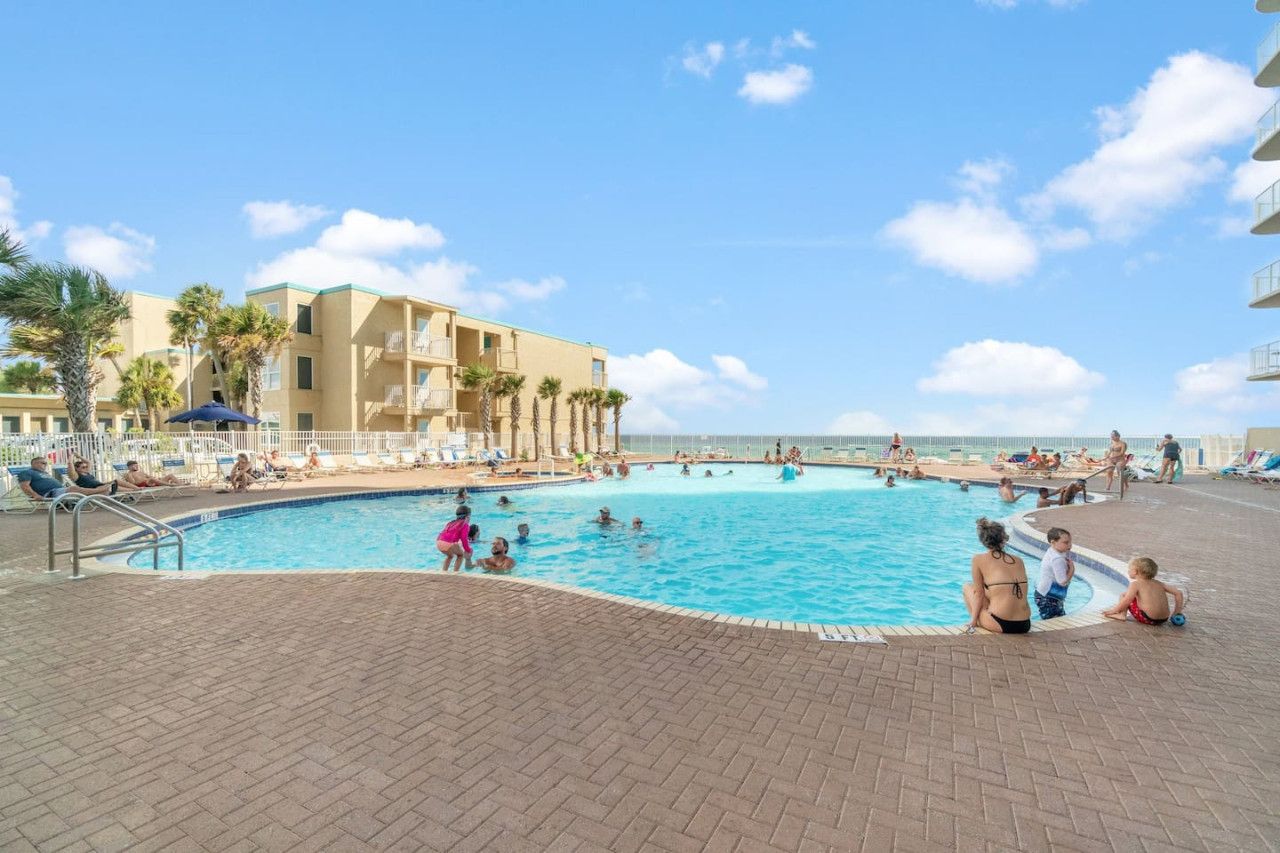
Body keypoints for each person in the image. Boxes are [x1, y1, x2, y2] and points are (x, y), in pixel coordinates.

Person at [963, 518, 1031, 634]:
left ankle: (975, 621)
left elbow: (979, 594)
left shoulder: (978, 559)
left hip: (1001, 624)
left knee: (968, 587)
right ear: (1003, 539)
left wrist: (974, 620)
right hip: (1025, 624)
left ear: (983, 541)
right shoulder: (1018, 560)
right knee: (992, 591)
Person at [1102, 557, 1184, 626]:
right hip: (1163, 619)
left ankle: (1121, 615)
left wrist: (1113, 610)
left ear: (1135, 572)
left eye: (1129, 569)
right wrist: (1176, 612)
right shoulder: (1159, 583)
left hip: (1148, 618)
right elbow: (1179, 593)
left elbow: (1127, 600)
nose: (1128, 571)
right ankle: (1121, 614)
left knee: (1124, 595)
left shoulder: (1135, 584)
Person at [16, 457, 111, 501]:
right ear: (34, 464)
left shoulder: (44, 473)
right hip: (49, 493)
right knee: (74, 489)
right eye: (42, 463)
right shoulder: (27, 472)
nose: (45, 465)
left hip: (60, 491)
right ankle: (100, 489)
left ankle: (100, 491)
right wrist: (36, 495)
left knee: (104, 493)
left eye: (46, 463)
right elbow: (25, 486)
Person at [1034, 527, 1074, 620]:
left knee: (1057, 621)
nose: (1070, 545)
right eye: (1066, 542)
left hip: (1045, 594)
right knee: (1054, 622)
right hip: (1048, 598)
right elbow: (1062, 582)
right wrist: (1072, 570)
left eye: (1070, 542)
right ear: (1053, 542)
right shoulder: (1057, 558)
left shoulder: (1053, 551)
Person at [71, 459, 139, 495]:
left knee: (116, 481)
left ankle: (137, 489)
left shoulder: (87, 472)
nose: (85, 468)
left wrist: (78, 456)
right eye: (83, 467)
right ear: (76, 469)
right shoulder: (76, 476)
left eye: (86, 467)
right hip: (95, 488)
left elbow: (89, 462)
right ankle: (135, 490)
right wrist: (71, 457)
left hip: (100, 484)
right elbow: (70, 465)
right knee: (113, 485)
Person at [436, 506, 473, 571]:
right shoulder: (465, 525)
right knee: (460, 555)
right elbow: (464, 540)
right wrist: (468, 550)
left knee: (450, 556)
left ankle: (444, 572)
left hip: (439, 542)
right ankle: (455, 573)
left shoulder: (451, 522)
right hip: (448, 543)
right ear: (467, 516)